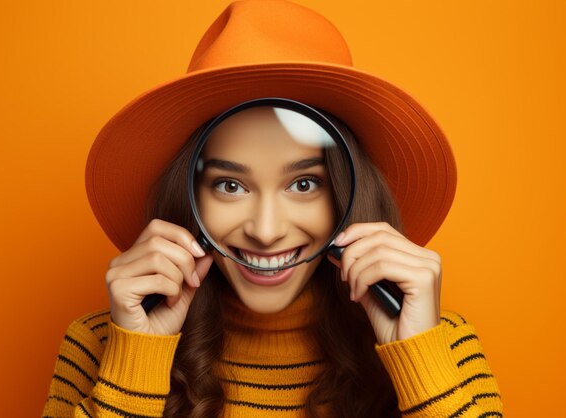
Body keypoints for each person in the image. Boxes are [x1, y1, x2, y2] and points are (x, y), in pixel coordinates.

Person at [42, 1, 503, 417]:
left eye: (304, 184)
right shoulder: (101, 344)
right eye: (229, 184)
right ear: (190, 198)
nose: (265, 230)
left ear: (346, 195)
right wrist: (136, 358)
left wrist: (418, 355)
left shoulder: (445, 346)